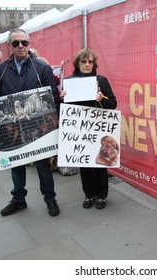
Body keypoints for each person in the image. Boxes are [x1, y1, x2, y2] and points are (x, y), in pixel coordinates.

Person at [0, 28, 60, 217]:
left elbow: (52, 96)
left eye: (24, 42)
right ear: (9, 46)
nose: (20, 46)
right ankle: (18, 200)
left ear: (29, 44)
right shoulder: (1, 69)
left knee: (43, 165)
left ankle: (50, 199)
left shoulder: (41, 68)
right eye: (16, 43)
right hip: (13, 126)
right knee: (16, 165)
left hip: (37, 127)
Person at [60, 48, 117, 209]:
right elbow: (65, 109)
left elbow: (112, 104)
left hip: (98, 128)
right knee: (83, 163)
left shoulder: (101, 81)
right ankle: (89, 195)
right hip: (79, 130)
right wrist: (62, 98)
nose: (87, 64)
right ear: (78, 63)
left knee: (100, 163)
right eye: (83, 61)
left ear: (94, 64)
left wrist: (102, 98)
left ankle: (101, 196)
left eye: (90, 61)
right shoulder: (69, 82)